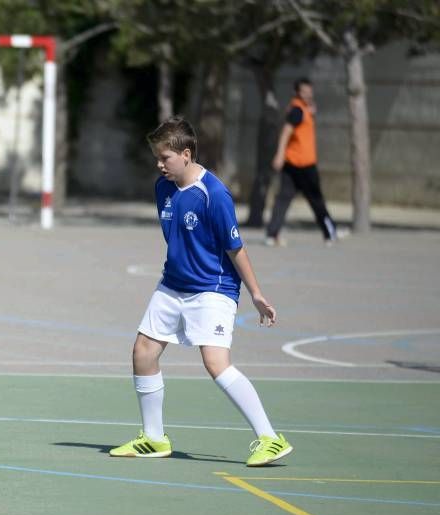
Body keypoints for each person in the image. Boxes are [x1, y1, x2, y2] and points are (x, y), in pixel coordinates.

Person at [109, 116, 293, 467]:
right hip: (173, 284)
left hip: (213, 289)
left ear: (187, 154)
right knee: (143, 352)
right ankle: (153, 437)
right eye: (157, 157)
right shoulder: (162, 188)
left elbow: (235, 248)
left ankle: (271, 438)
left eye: (165, 157)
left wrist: (255, 293)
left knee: (215, 363)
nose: (159, 164)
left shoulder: (215, 194)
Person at [265, 77, 342, 246]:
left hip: (294, 163)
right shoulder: (297, 111)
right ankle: (330, 233)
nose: (308, 94)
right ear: (297, 93)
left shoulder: (302, 108)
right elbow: (286, 131)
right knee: (315, 200)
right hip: (303, 165)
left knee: (283, 199)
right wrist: (279, 154)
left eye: (310, 91)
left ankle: (272, 234)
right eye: (304, 92)